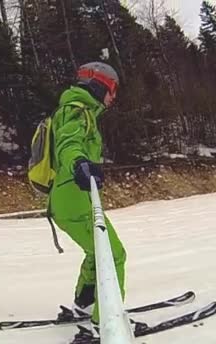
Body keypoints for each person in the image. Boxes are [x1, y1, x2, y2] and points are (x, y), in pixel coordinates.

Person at [49, 62, 126, 337]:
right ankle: (106, 322)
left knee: (97, 253)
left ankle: (83, 306)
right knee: (114, 255)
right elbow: (68, 144)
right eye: (112, 89)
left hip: (69, 199)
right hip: (75, 198)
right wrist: (80, 162)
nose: (113, 97)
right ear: (98, 85)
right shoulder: (77, 111)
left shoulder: (78, 110)